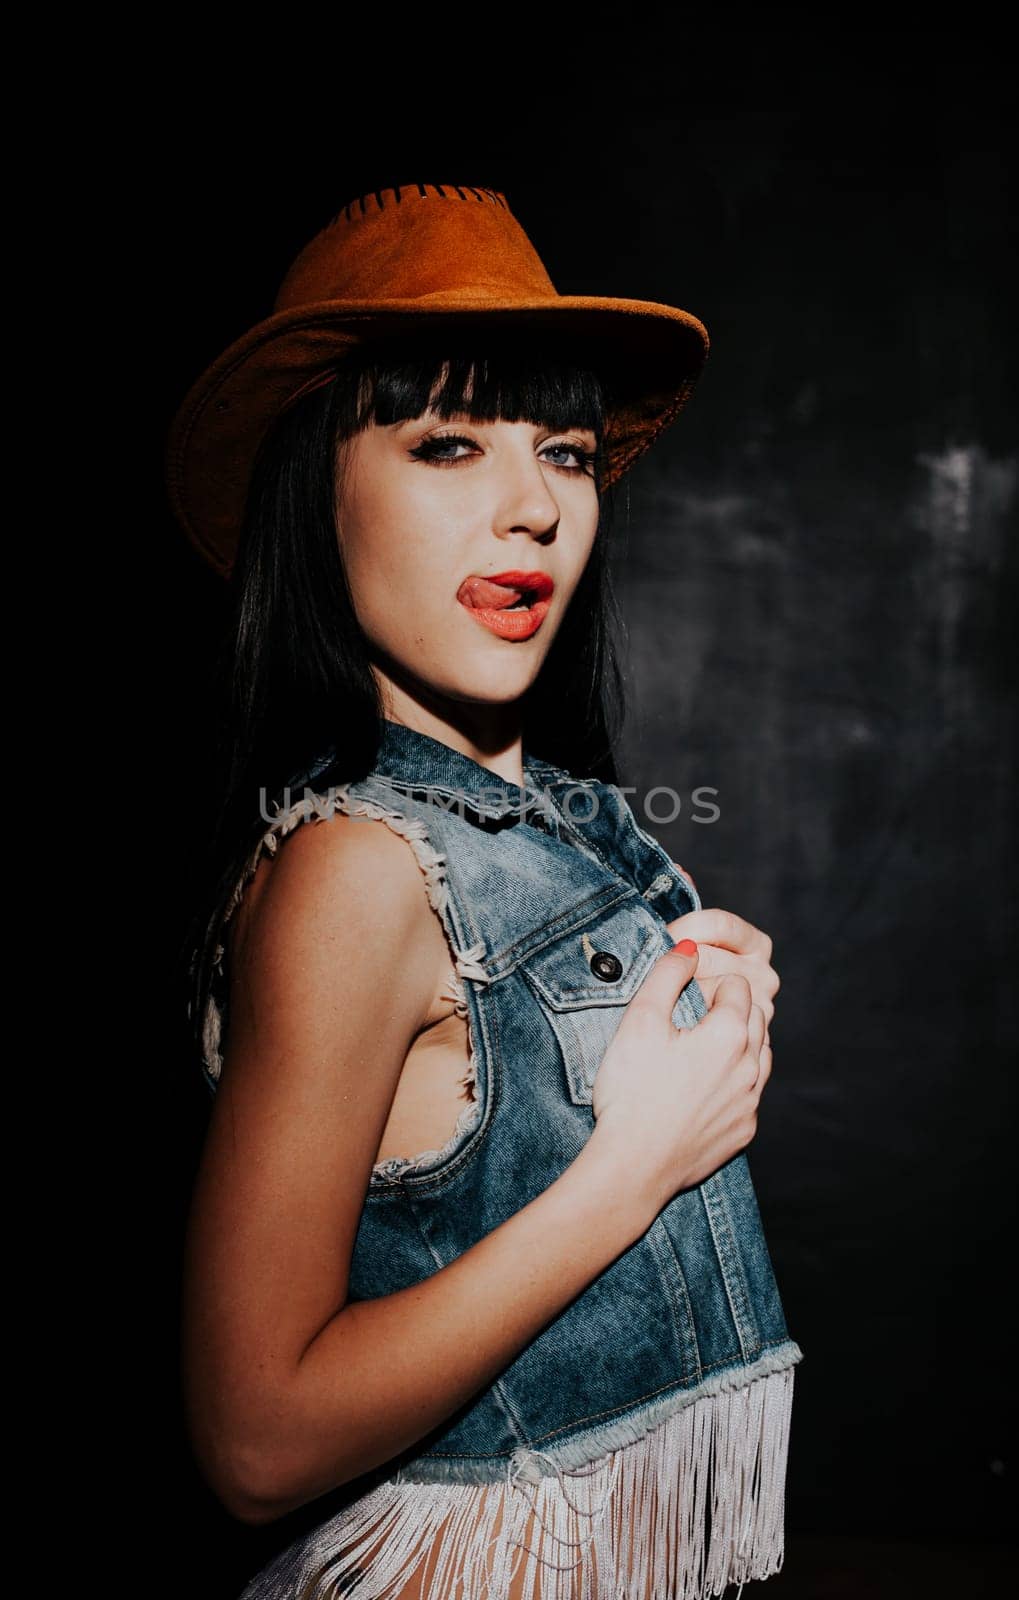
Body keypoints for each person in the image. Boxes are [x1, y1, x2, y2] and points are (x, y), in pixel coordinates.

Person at [167, 182, 804, 1600]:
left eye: (566, 453)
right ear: (312, 490)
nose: (532, 508)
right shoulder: (351, 867)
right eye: (446, 443)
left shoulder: (561, 820)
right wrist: (640, 1159)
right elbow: (255, 1437)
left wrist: (701, 1002)